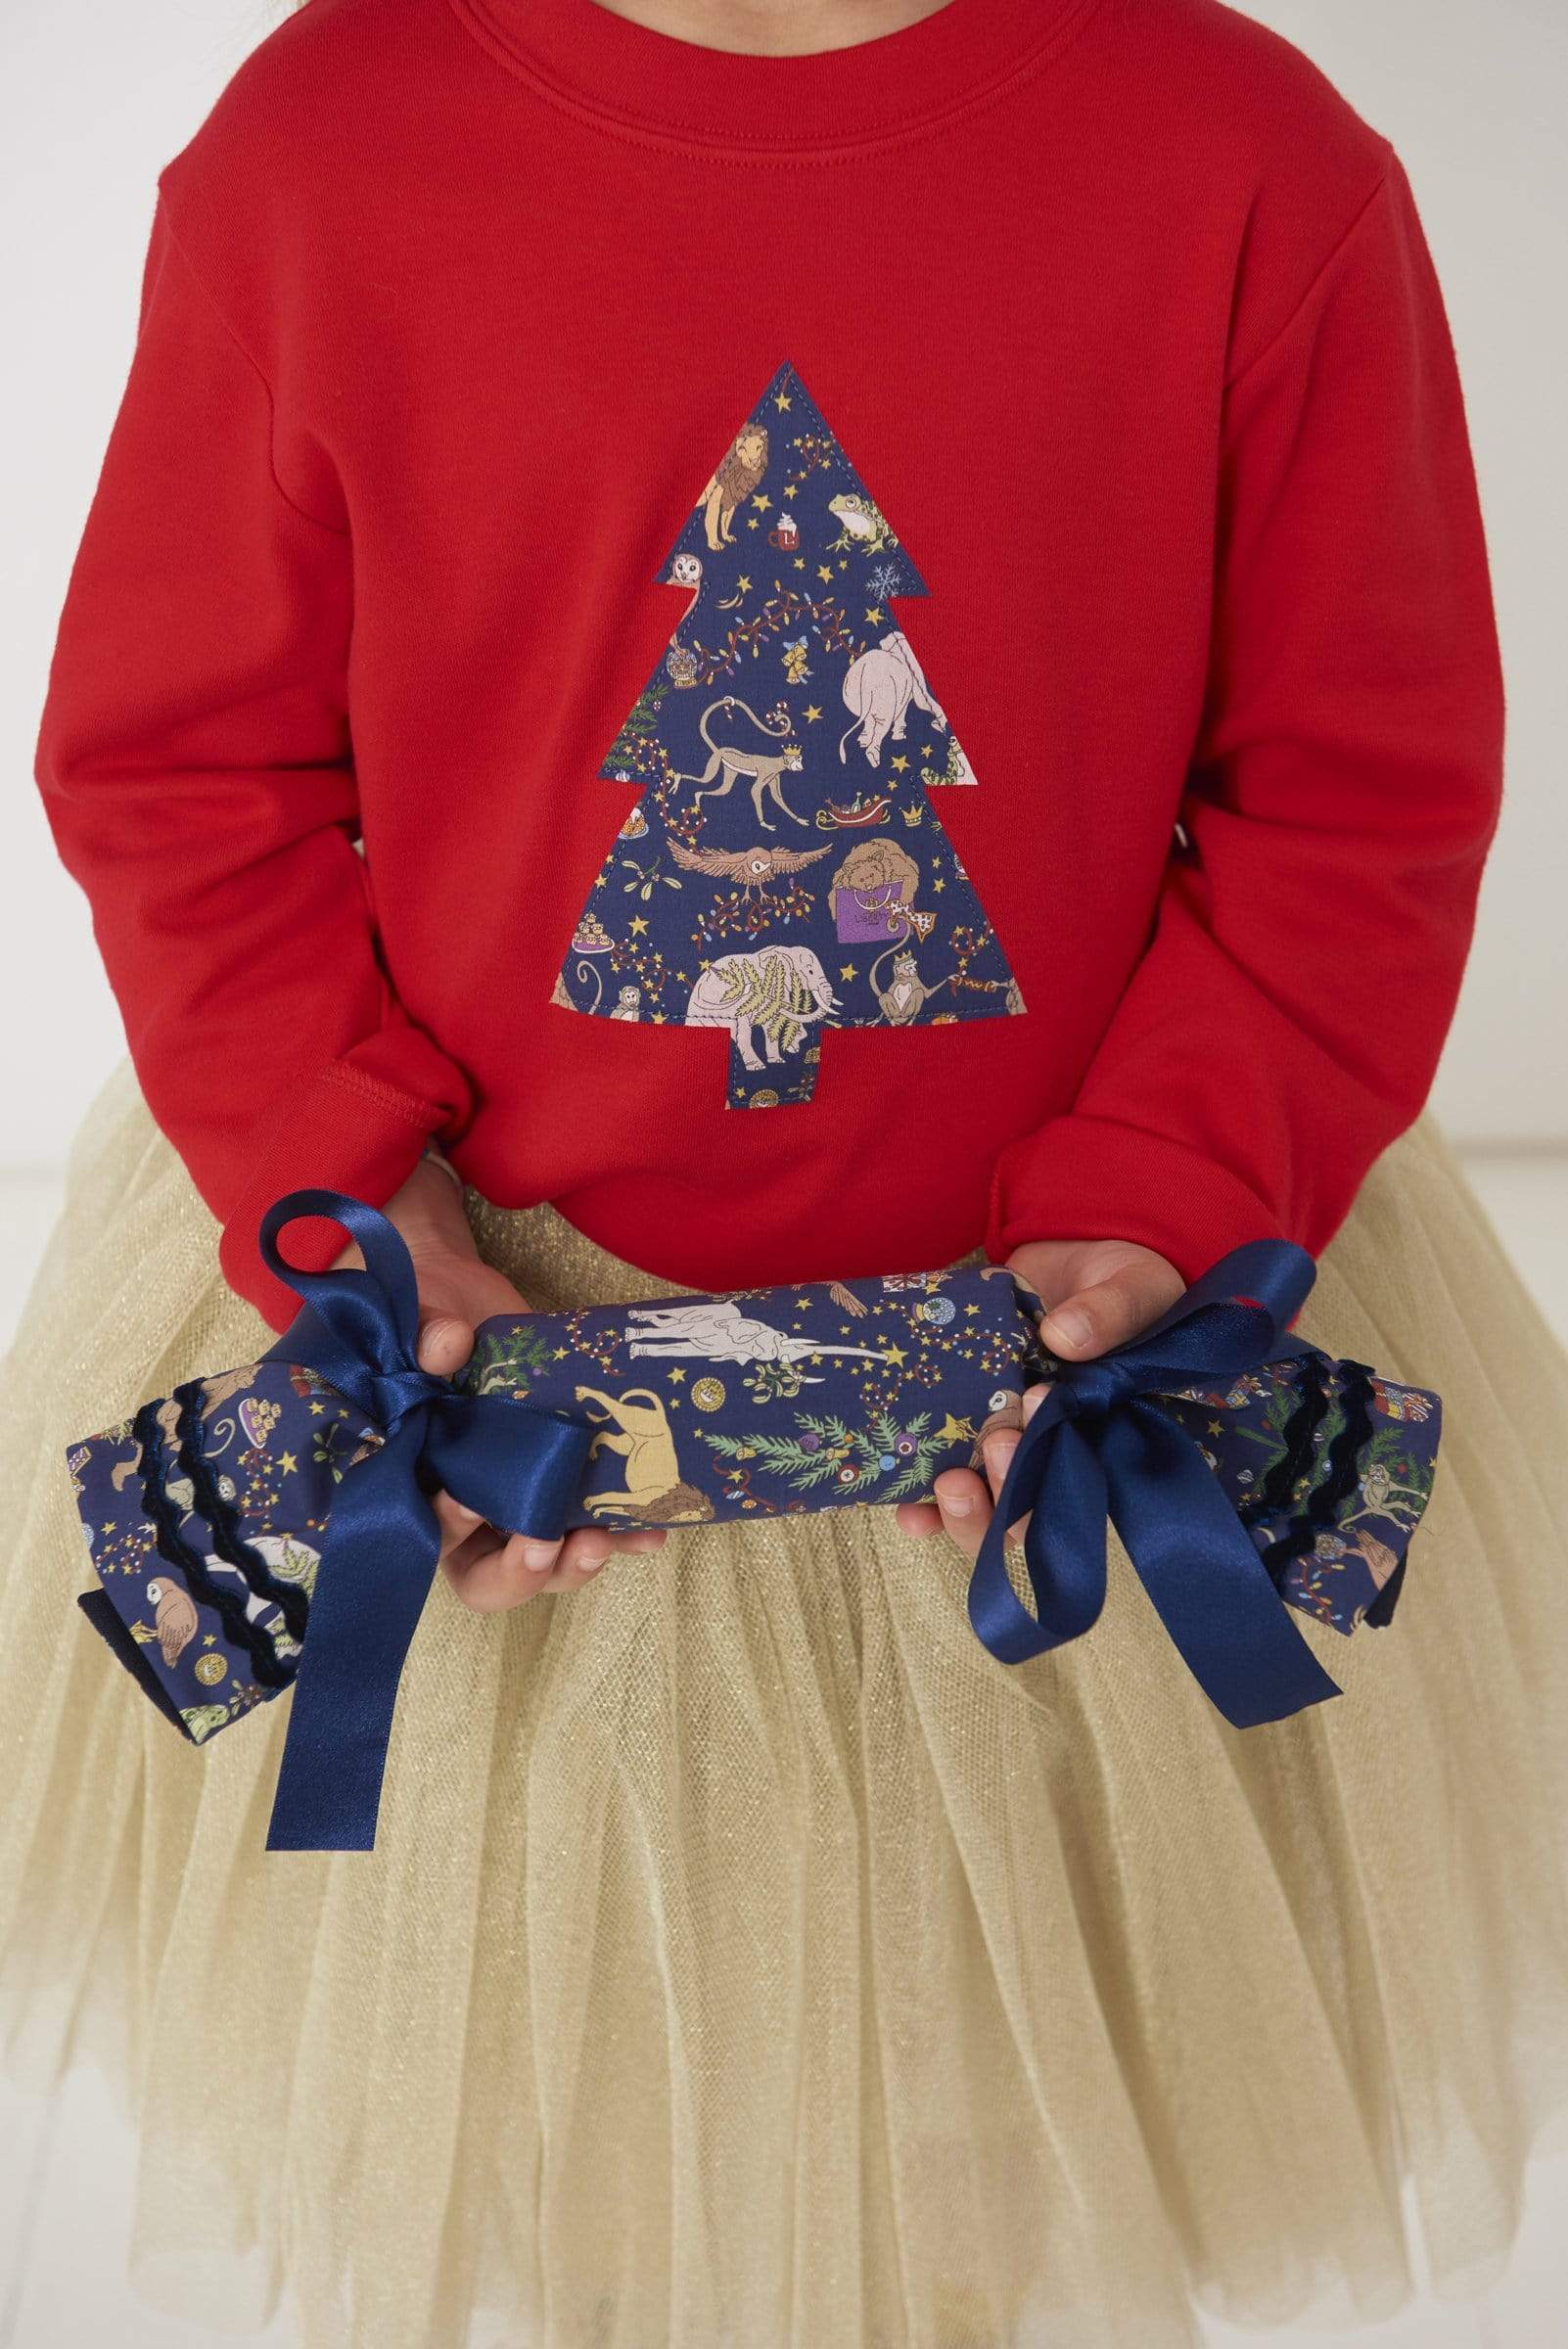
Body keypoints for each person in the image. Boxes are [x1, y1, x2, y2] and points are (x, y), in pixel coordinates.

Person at [4, 0, 1567, 2341]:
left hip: (1075, 1357)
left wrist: (1170, 1186)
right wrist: (352, 1186)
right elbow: (181, 770)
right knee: (569, 2125)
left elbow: (1357, 785)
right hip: (491, 1343)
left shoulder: (1248, 165)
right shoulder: (322, 151)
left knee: (995, 2132)